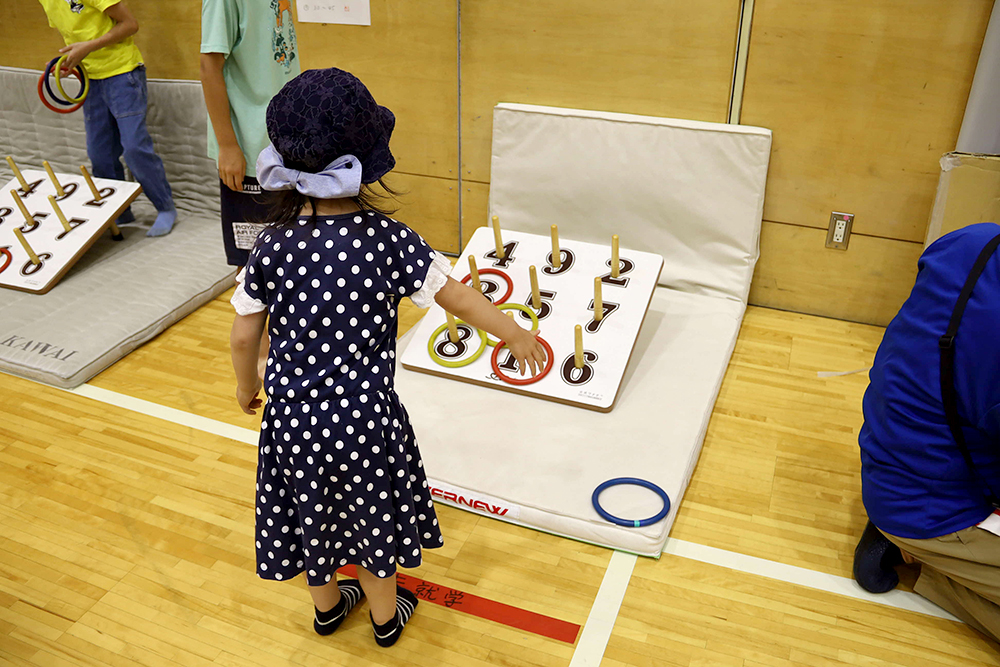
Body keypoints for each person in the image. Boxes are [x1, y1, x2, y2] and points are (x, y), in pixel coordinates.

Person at [228, 68, 547, 646]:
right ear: (367, 160)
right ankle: (383, 617)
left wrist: (247, 386)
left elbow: (244, 334)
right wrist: (513, 333)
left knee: (310, 511)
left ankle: (327, 609)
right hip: (367, 421)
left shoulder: (271, 245)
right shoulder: (388, 240)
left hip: (292, 419)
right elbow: (460, 298)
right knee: (372, 518)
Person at [853, 222, 1000, 643]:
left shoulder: (973, 239)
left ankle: (923, 555)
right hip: (934, 504)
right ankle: (926, 558)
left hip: (897, 460)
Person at [201, 0, 300, 377]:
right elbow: (209, 65)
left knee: (289, 251)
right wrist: (228, 144)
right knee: (254, 261)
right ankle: (260, 357)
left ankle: (285, 341)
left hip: (286, 145)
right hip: (249, 151)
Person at [38, 0, 177, 236]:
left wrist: (87, 48)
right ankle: (119, 211)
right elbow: (76, 37)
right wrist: (73, 61)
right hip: (91, 80)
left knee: (134, 148)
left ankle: (165, 207)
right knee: (99, 154)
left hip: (123, 73)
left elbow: (130, 24)